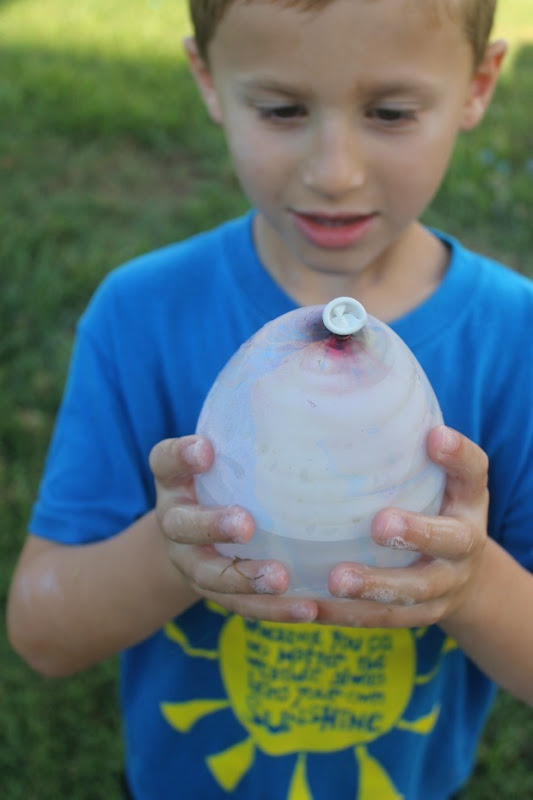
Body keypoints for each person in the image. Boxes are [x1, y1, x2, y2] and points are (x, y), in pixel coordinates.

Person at [7, 0, 533, 798]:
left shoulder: (514, 342)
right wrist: (176, 551)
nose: (334, 171)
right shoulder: (141, 316)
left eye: (389, 112)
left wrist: (473, 587)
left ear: (478, 84)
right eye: (282, 108)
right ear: (207, 80)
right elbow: (43, 634)